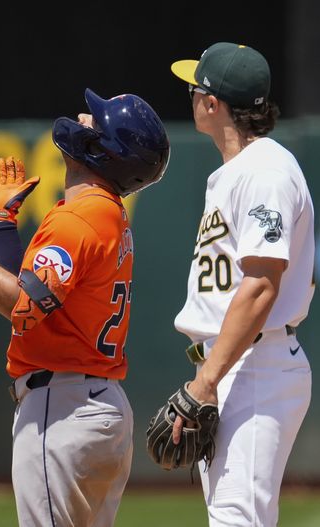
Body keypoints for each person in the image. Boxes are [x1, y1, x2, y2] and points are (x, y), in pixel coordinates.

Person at [0, 88, 170, 526]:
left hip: (62, 408)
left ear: (103, 151)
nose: (82, 117)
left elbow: (23, 308)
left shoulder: (78, 219)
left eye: (94, 120)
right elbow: (39, 299)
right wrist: (3, 226)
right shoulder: (105, 214)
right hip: (97, 405)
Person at [170, 42, 315, 526]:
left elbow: (260, 286)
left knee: (238, 518)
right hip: (238, 361)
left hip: (255, 364)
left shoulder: (264, 172)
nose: (191, 97)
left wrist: (205, 381)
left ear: (213, 104)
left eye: (196, 90)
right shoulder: (241, 171)